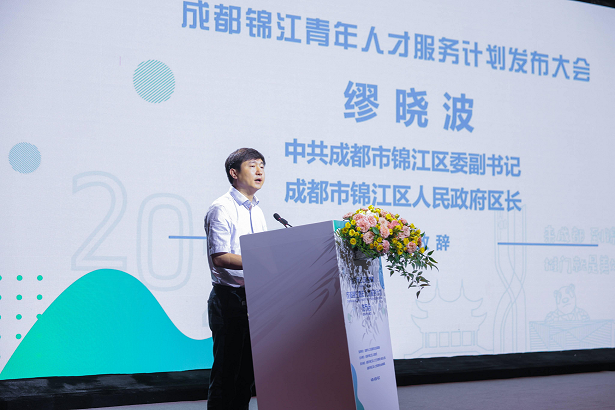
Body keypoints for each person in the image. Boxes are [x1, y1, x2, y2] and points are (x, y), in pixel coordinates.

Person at [204, 148, 267, 410]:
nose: (260, 171)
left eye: (262, 166)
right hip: (229, 300)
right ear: (234, 172)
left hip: (255, 299)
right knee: (226, 373)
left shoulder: (258, 211)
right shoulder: (222, 208)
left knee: (246, 376)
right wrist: (262, 261)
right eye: (252, 165)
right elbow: (220, 257)